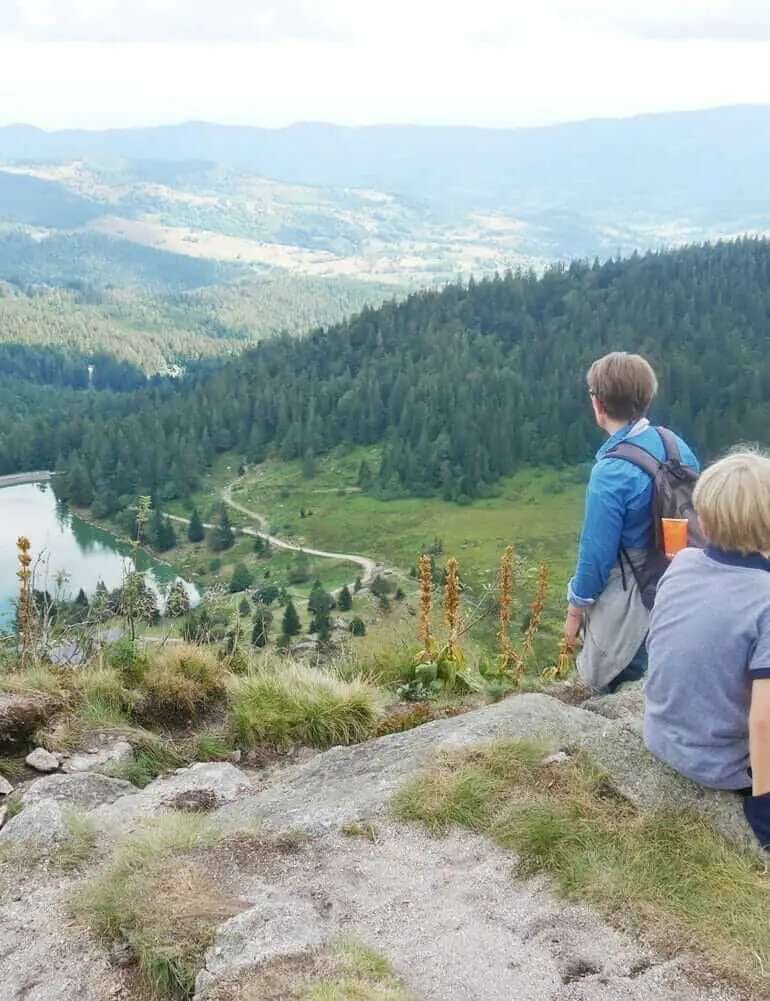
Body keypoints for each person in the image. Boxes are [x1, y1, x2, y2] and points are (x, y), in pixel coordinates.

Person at [645, 449, 770, 848]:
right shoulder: (765, 600)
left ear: (705, 520)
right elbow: (764, 722)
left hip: (660, 736)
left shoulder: (682, 563)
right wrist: (764, 808)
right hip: (721, 766)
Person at [564, 352, 698, 692]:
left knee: (616, 690)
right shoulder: (674, 444)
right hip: (681, 586)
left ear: (598, 404)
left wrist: (575, 610)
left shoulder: (611, 472)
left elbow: (595, 555)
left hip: (632, 602)